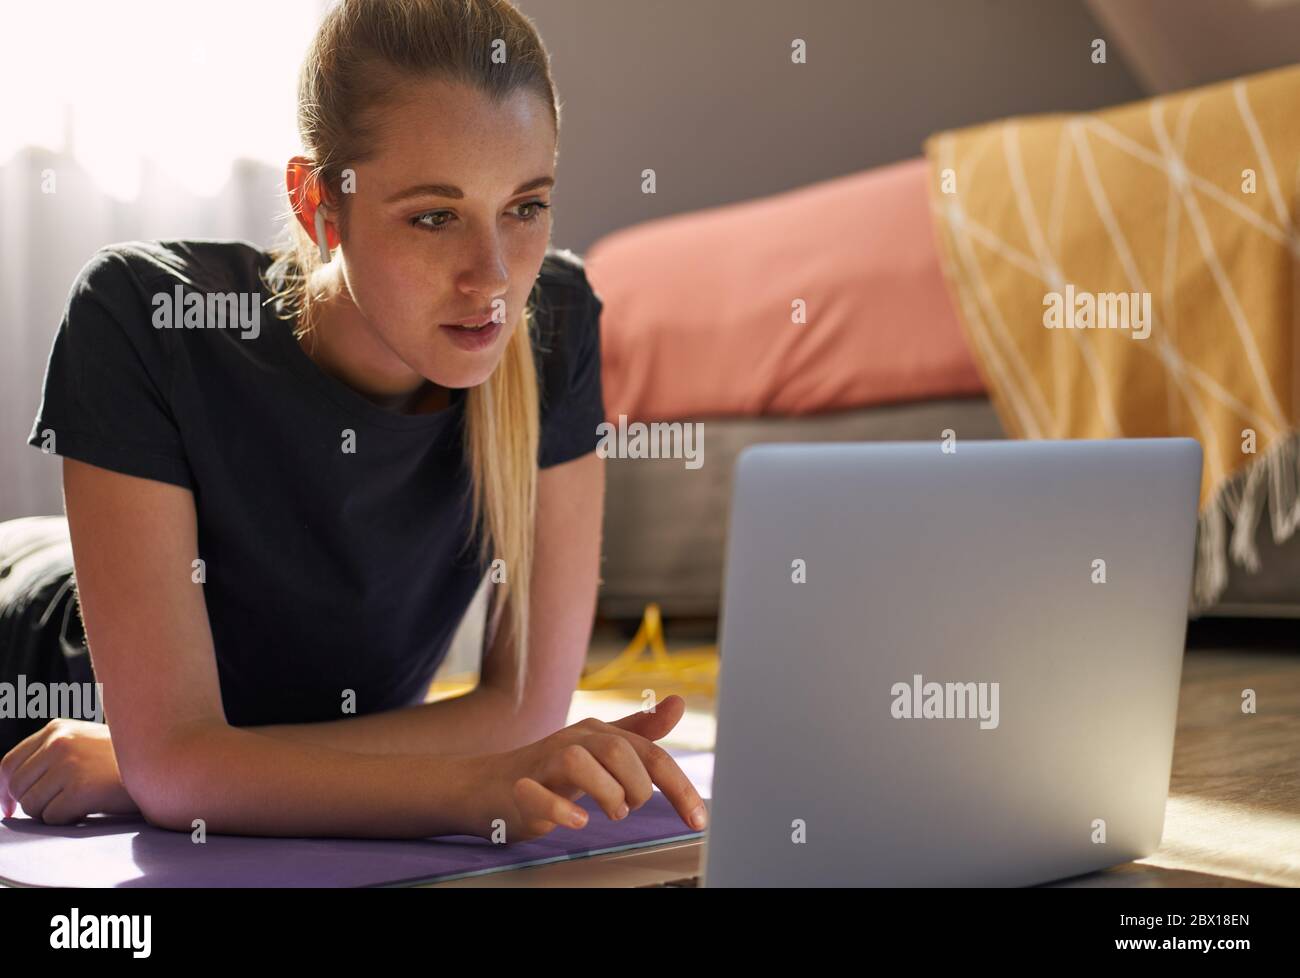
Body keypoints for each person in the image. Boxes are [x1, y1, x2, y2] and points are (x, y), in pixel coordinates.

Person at [0, 0, 707, 843]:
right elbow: (178, 765)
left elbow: (518, 717)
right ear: (315, 203)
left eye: (525, 206)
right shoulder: (140, 317)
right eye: (434, 216)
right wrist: (468, 787)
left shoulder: (555, 323)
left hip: (132, 751)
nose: (490, 280)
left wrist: (178, 772)